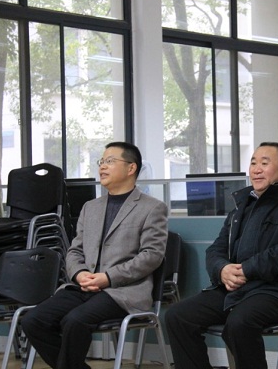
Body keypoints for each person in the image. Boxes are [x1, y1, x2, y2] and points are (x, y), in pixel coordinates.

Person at [165, 142, 278, 369]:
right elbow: (216, 249)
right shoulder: (240, 208)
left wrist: (247, 269)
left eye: (265, 163)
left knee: (239, 323)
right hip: (236, 290)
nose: (256, 169)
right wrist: (222, 269)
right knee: (178, 316)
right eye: (253, 163)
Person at [21, 142, 168, 369]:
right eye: (101, 161)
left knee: (74, 321)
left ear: (131, 168)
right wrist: (79, 274)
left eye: (110, 161)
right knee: (33, 320)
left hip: (122, 291)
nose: (102, 167)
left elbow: (151, 256)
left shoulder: (152, 208)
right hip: (83, 286)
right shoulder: (90, 207)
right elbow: (74, 250)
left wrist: (107, 277)